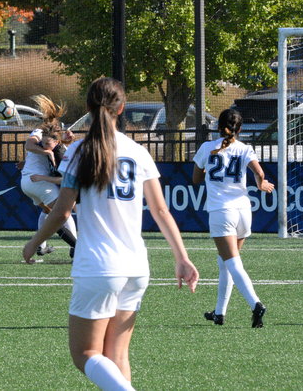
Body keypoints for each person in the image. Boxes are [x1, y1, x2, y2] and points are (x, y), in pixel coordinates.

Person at [22, 77, 199, 390]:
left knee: (85, 354)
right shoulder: (138, 152)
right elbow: (161, 211)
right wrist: (182, 258)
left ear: (88, 107)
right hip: (136, 267)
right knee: (116, 355)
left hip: (99, 266)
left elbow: (62, 212)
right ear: (122, 108)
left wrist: (34, 242)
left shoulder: (79, 151)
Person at [193, 108, 274, 328]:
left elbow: (196, 179)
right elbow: (259, 173)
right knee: (225, 262)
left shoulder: (207, 148)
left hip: (222, 212)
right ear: (240, 128)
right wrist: (261, 184)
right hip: (243, 211)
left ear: (218, 126)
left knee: (232, 262)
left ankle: (256, 304)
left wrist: (207, 170)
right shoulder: (245, 148)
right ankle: (219, 313)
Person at [20, 95, 77, 257]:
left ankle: (41, 246)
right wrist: (47, 152)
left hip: (28, 182)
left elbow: (54, 148)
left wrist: (66, 143)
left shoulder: (55, 141)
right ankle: (76, 246)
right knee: (62, 212)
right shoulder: (41, 132)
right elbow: (29, 145)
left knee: (48, 212)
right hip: (36, 181)